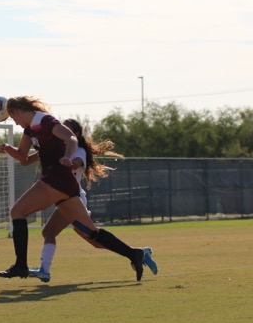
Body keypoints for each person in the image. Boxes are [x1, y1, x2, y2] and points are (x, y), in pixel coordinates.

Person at [0, 96, 151, 282]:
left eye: (13, 118)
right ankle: (134, 254)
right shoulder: (30, 129)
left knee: (17, 212)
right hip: (64, 184)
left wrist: (68, 157)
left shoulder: (44, 120)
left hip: (57, 178)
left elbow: (70, 138)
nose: (16, 123)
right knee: (91, 233)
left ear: (17, 111)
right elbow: (24, 158)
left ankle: (21, 266)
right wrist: (7, 149)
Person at [27, 118, 158, 282]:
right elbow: (31, 157)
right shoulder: (59, 148)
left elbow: (76, 163)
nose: (62, 131)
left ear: (75, 134)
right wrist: (15, 150)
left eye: (66, 129)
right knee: (92, 241)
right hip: (65, 198)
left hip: (73, 198)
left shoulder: (79, 150)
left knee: (70, 234)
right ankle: (137, 253)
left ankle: (44, 270)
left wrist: (68, 162)